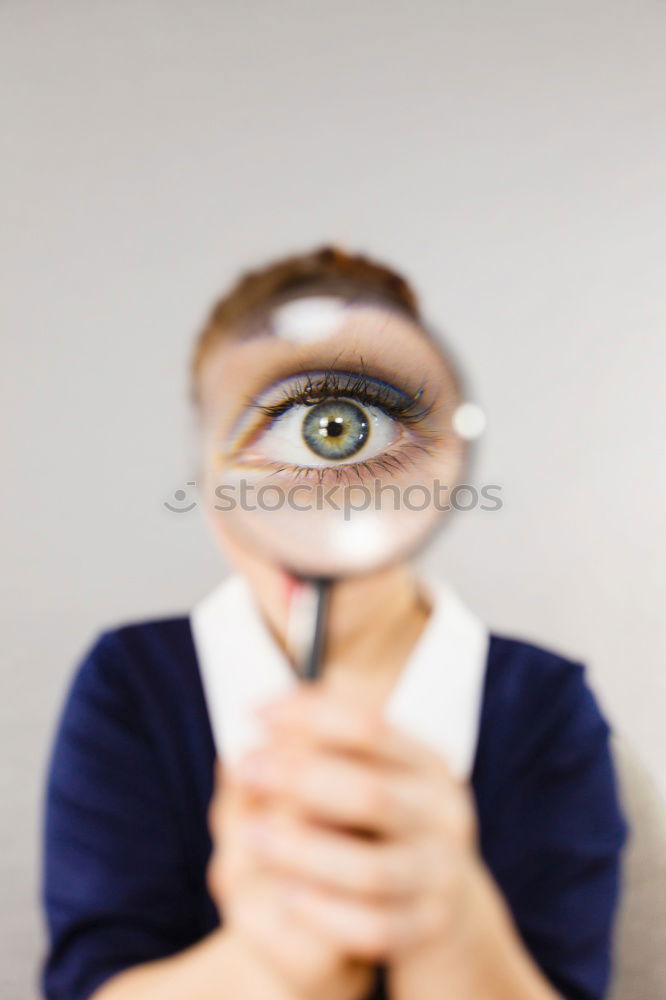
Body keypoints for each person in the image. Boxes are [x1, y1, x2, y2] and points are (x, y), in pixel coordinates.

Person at [41, 245, 627, 1000]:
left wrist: (449, 925)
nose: (307, 500)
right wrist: (269, 967)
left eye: (344, 427)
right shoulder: (133, 684)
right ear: (203, 472)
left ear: (444, 458)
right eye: (272, 429)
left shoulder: (542, 704)